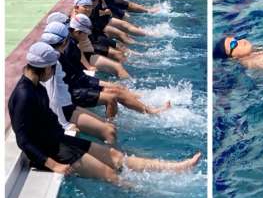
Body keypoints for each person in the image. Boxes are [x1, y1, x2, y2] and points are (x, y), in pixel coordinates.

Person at [9, 43, 200, 184]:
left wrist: (64, 126)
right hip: (52, 151)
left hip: (59, 141)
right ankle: (147, 195)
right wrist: (53, 165)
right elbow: (23, 140)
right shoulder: (24, 95)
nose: (53, 73)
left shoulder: (37, 86)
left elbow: (46, 119)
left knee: (117, 157)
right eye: (52, 68)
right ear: (44, 67)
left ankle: (176, 167)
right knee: (111, 175)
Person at [41, 22, 117, 144]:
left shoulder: (51, 56)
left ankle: (115, 152)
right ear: (65, 42)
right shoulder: (53, 62)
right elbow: (52, 96)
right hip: (63, 110)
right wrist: (63, 124)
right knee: (109, 131)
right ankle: (115, 154)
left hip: (66, 105)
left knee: (110, 127)